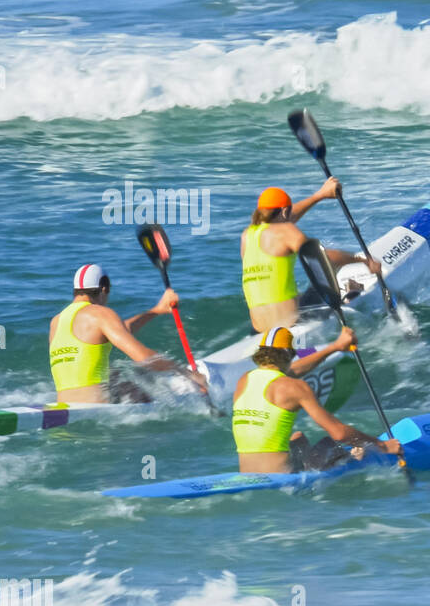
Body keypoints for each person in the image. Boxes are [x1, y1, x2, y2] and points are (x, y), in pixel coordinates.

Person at [231, 327, 401, 474]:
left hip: (248, 475)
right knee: (330, 444)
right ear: (288, 354)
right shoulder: (295, 387)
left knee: (298, 439)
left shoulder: (244, 380)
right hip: (284, 478)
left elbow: (291, 372)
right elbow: (339, 432)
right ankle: (358, 456)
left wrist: (335, 347)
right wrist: (381, 445)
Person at [49, 264, 206, 403]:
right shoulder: (101, 314)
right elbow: (144, 357)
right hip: (98, 407)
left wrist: (156, 311)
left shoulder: (56, 321)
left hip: (66, 405)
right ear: (104, 289)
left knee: (113, 373)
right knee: (134, 376)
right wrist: (186, 373)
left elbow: (118, 331)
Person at [241, 180, 382, 333]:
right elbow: (325, 256)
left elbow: (288, 216)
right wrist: (364, 261)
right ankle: (350, 296)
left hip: (259, 330)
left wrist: (320, 195)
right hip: (292, 326)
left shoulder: (247, 236)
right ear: (283, 212)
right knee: (326, 271)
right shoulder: (285, 230)